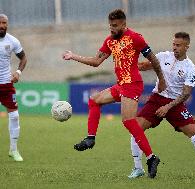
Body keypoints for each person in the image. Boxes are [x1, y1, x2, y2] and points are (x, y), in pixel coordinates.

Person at [62, 9, 166, 178]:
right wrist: (73, 56)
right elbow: (96, 62)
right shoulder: (110, 41)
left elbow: (154, 59)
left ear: (124, 25)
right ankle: (90, 138)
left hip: (132, 84)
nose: (111, 28)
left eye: (115, 26)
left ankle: (151, 158)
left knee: (128, 122)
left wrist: (161, 79)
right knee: (94, 101)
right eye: (110, 25)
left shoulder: (135, 38)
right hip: (121, 85)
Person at [128, 32, 195, 179]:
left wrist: (168, 107)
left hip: (175, 103)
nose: (174, 48)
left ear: (187, 47)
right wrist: (126, 64)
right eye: (174, 44)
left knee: (194, 132)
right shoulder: (163, 56)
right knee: (136, 128)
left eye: (178, 45)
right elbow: (144, 65)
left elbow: (186, 94)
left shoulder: (190, 68)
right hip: (157, 99)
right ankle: (138, 168)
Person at [0, 14, 27, 162]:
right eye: (0, 23)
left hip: (6, 85)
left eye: (4, 23)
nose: (2, 26)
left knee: (15, 116)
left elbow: (23, 58)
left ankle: (13, 149)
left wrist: (18, 72)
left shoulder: (12, 41)